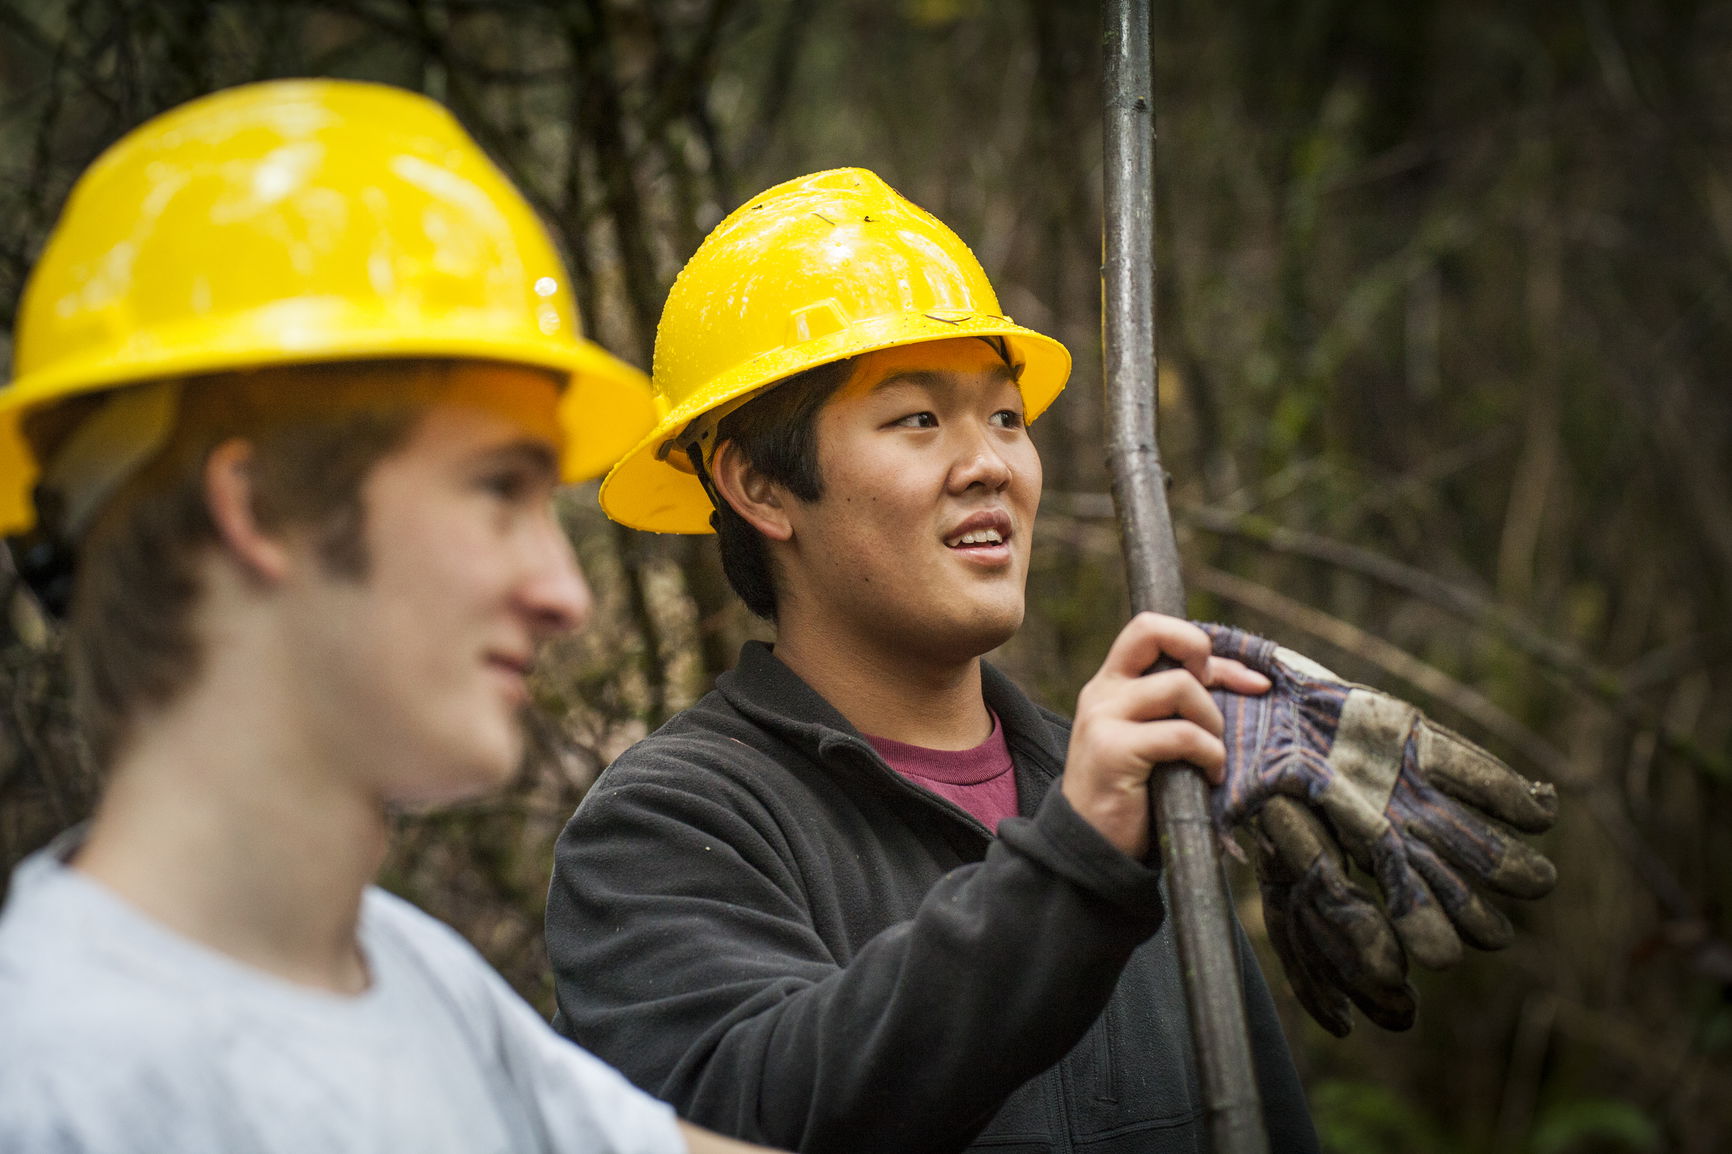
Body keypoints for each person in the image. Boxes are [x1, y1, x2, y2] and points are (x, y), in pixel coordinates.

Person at [0, 80, 776, 1154]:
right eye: (499, 488)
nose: (566, 593)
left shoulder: (409, 977)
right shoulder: (55, 1085)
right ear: (258, 506)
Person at [544, 168, 1321, 1153]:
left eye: (1005, 417)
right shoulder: (666, 824)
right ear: (757, 484)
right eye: (917, 419)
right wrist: (1077, 864)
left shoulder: (1128, 788)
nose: (989, 462)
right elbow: (735, 1111)